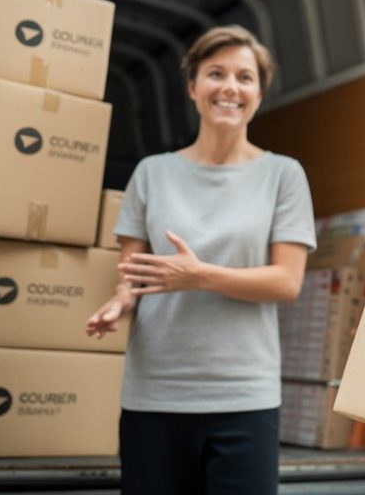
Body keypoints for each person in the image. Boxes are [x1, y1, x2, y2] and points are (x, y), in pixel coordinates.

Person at [85, 25, 316, 495]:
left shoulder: (283, 175)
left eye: (245, 77)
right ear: (192, 87)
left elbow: (286, 282)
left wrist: (199, 275)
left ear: (258, 94)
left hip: (244, 397)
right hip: (156, 397)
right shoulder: (152, 173)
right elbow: (133, 274)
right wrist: (121, 301)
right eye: (215, 73)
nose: (230, 87)